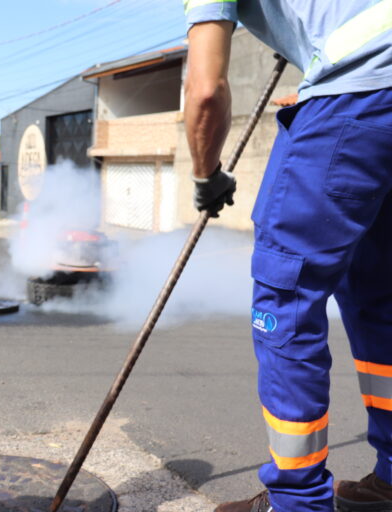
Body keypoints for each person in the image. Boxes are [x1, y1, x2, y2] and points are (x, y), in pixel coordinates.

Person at [183, 2, 392, 511]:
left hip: (355, 97)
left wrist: (206, 175)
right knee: (380, 297)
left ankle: (297, 502)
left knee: (286, 300)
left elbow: (205, 90)